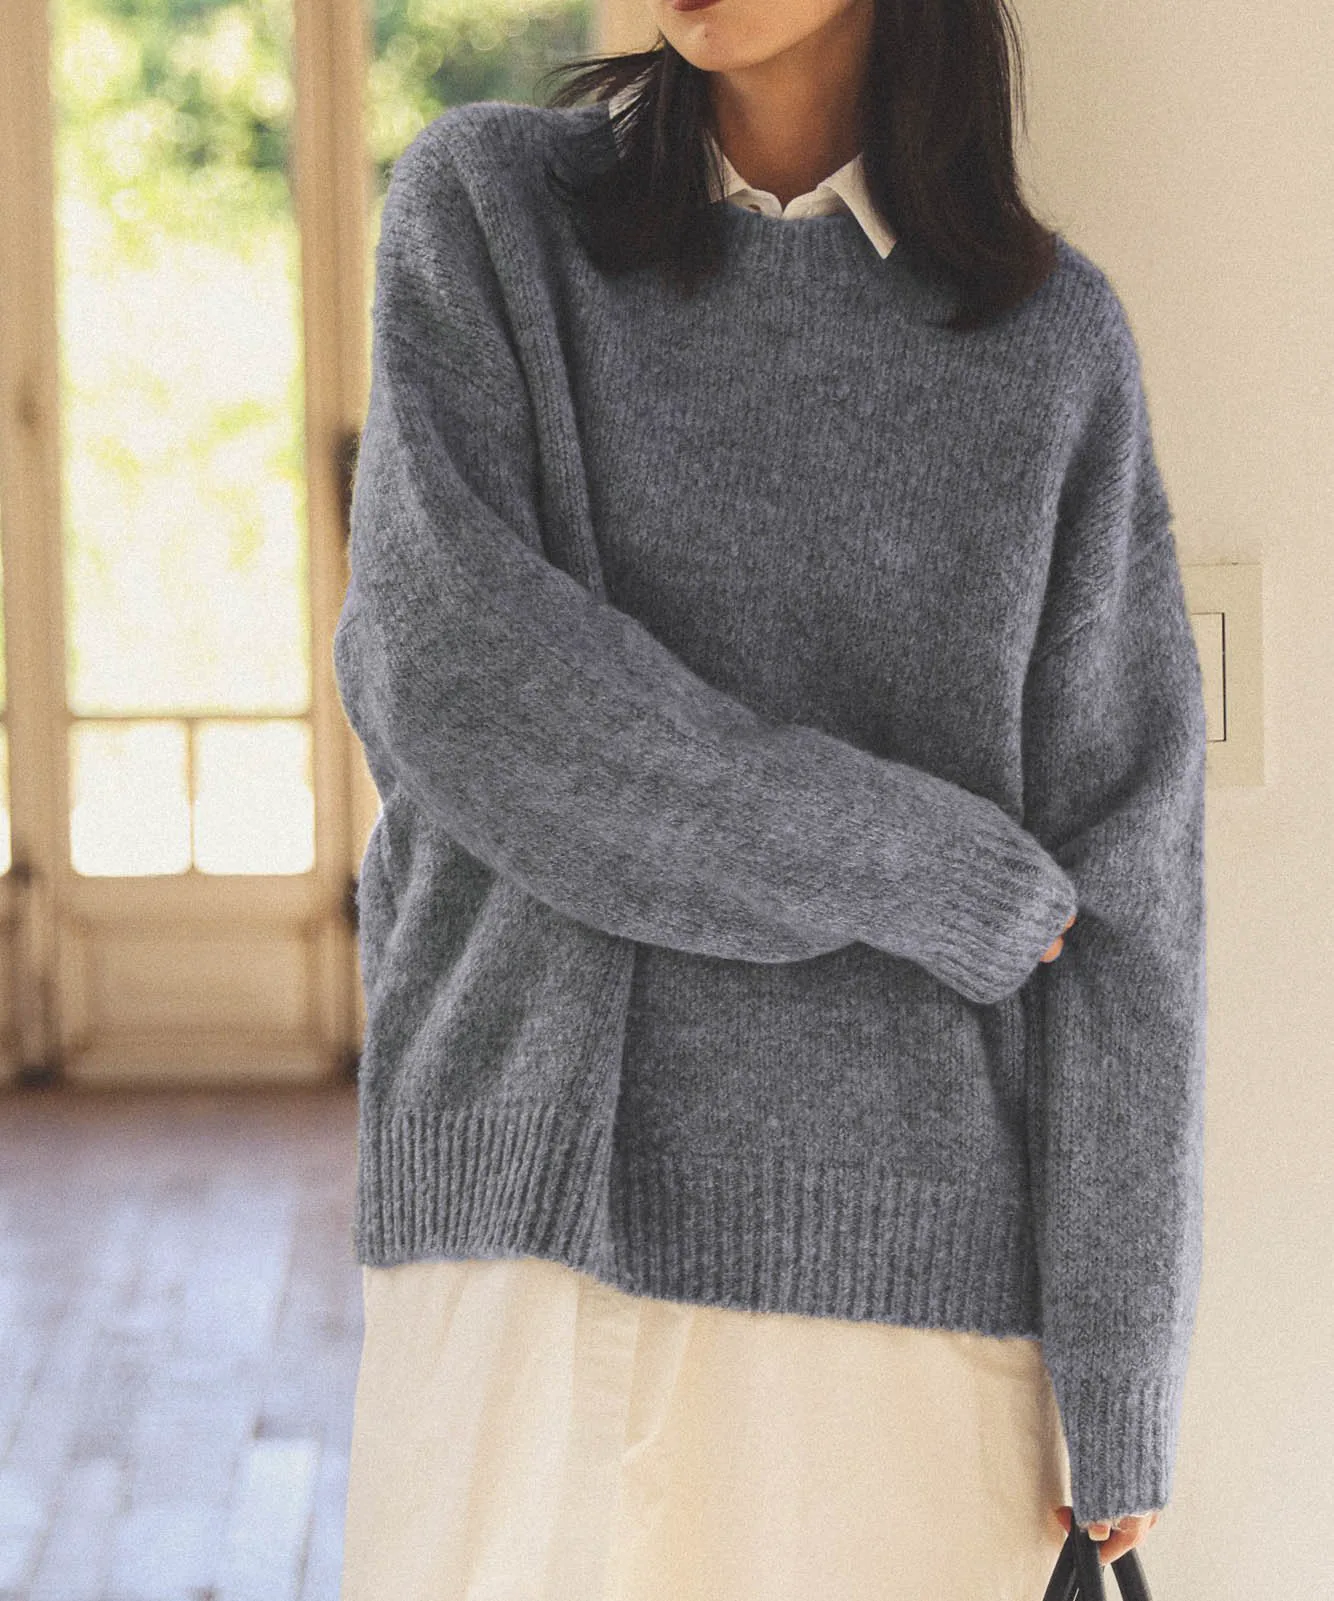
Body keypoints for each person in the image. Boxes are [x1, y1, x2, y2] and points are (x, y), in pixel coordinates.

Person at [333, 1, 1206, 1595]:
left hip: (909, 1297)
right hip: (524, 1240)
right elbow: (455, 678)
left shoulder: (1046, 340)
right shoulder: (492, 217)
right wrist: (918, 869)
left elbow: (1126, 896)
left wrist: (1120, 1365)